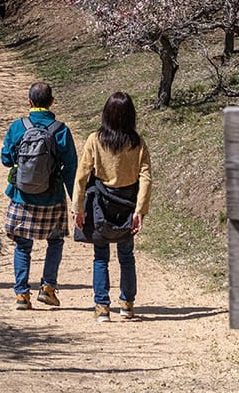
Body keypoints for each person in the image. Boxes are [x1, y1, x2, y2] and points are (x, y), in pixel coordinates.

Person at [71, 90, 151, 323]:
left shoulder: (95, 140)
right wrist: (140, 210)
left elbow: (81, 176)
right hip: (127, 204)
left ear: (106, 114)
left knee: (100, 257)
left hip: (100, 205)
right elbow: (146, 178)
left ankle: (102, 307)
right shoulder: (138, 143)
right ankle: (127, 305)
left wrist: (78, 208)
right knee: (126, 256)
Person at [0, 80, 77, 310]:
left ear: (29, 102)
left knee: (23, 246)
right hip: (52, 198)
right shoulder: (60, 130)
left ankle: (22, 295)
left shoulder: (17, 127)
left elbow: (6, 159)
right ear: (52, 102)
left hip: (22, 198)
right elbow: (71, 167)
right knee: (55, 241)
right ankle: (48, 288)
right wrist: (76, 200)